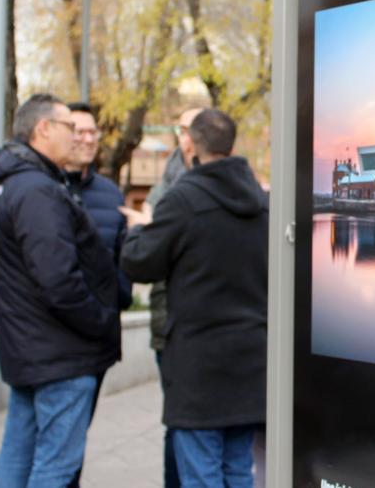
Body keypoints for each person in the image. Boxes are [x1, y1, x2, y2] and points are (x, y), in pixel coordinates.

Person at [0, 94, 121, 487]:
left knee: (19, 456)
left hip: (35, 351)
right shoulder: (36, 190)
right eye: (69, 127)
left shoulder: (12, 185)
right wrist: (100, 321)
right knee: (54, 467)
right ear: (43, 129)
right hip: (61, 354)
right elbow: (58, 279)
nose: (76, 137)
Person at [120, 109, 268, 488]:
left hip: (199, 368)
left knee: (200, 476)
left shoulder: (181, 200)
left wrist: (140, 229)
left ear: (191, 143)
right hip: (250, 363)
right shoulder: (262, 202)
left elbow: (139, 263)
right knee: (238, 470)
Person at [62, 102, 131, 488]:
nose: (87, 139)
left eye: (93, 133)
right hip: (51, 336)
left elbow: (122, 256)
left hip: (95, 336)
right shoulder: (45, 187)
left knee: (75, 436)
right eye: (79, 131)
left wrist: (114, 299)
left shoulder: (109, 193)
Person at [142, 107, 201, 488]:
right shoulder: (165, 184)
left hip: (215, 328)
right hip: (172, 324)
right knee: (178, 421)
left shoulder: (234, 181)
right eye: (182, 128)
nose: (187, 135)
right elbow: (147, 254)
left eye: (194, 127)